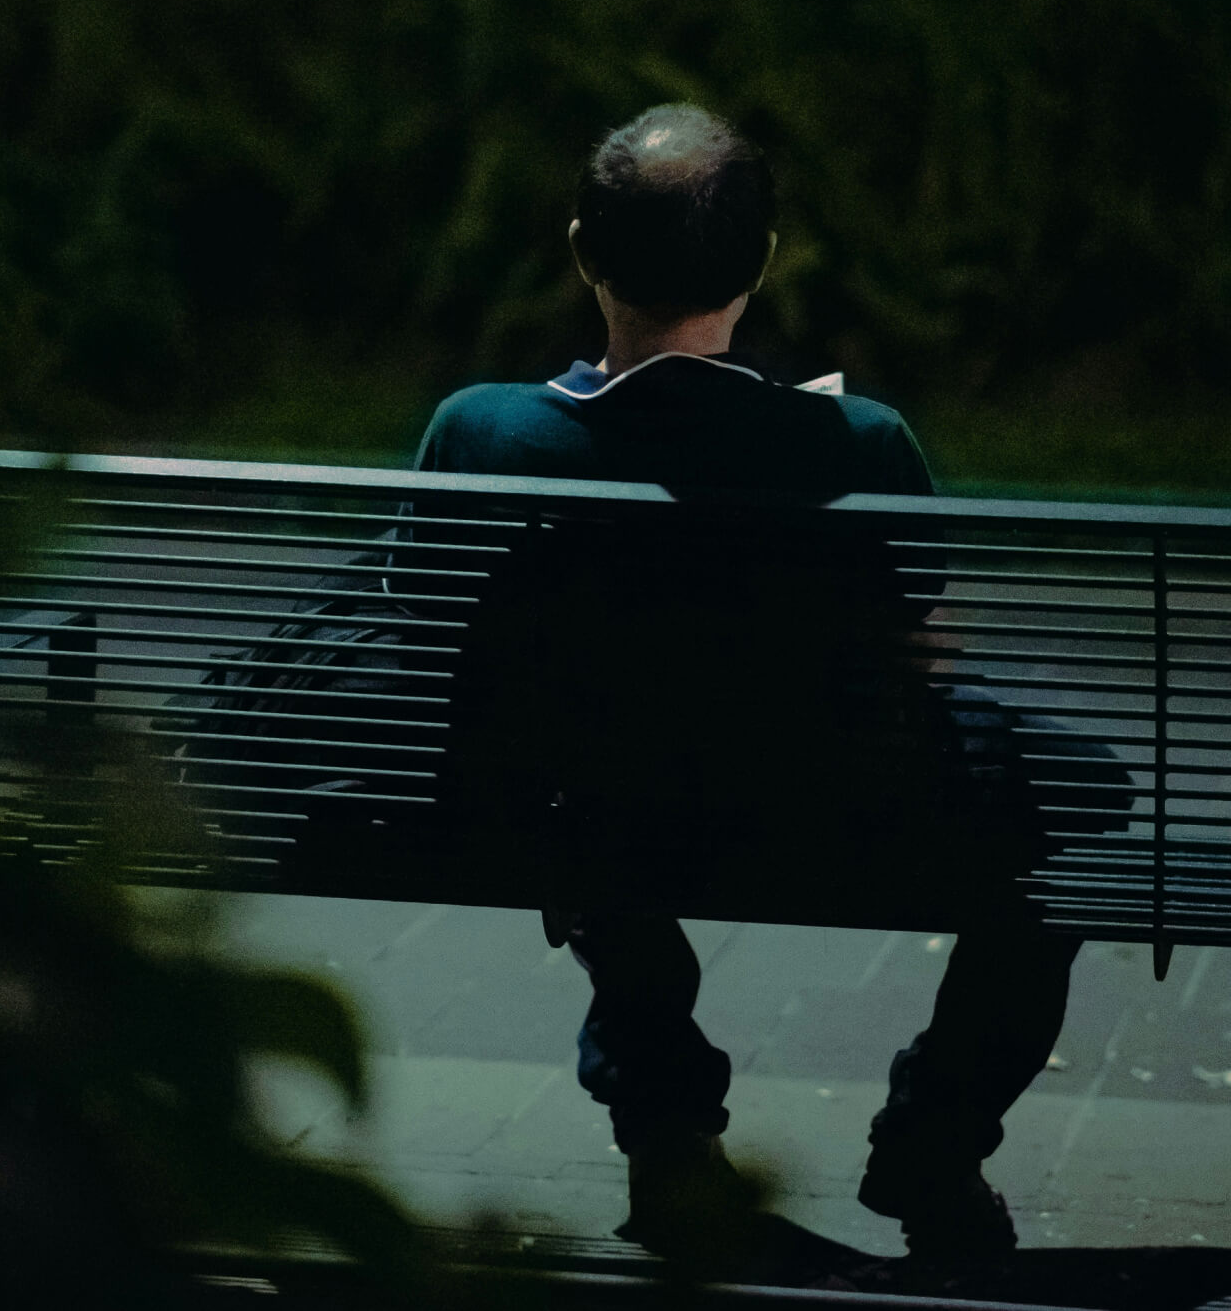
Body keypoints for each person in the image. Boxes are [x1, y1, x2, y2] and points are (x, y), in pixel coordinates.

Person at [411, 103, 1083, 1261]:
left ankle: (667, 1137)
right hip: (831, 814)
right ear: (761, 264)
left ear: (582, 252)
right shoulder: (859, 444)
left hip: (580, 811)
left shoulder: (480, 435)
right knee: (1051, 869)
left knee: (593, 810)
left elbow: (426, 628)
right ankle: (934, 1141)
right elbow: (919, 640)